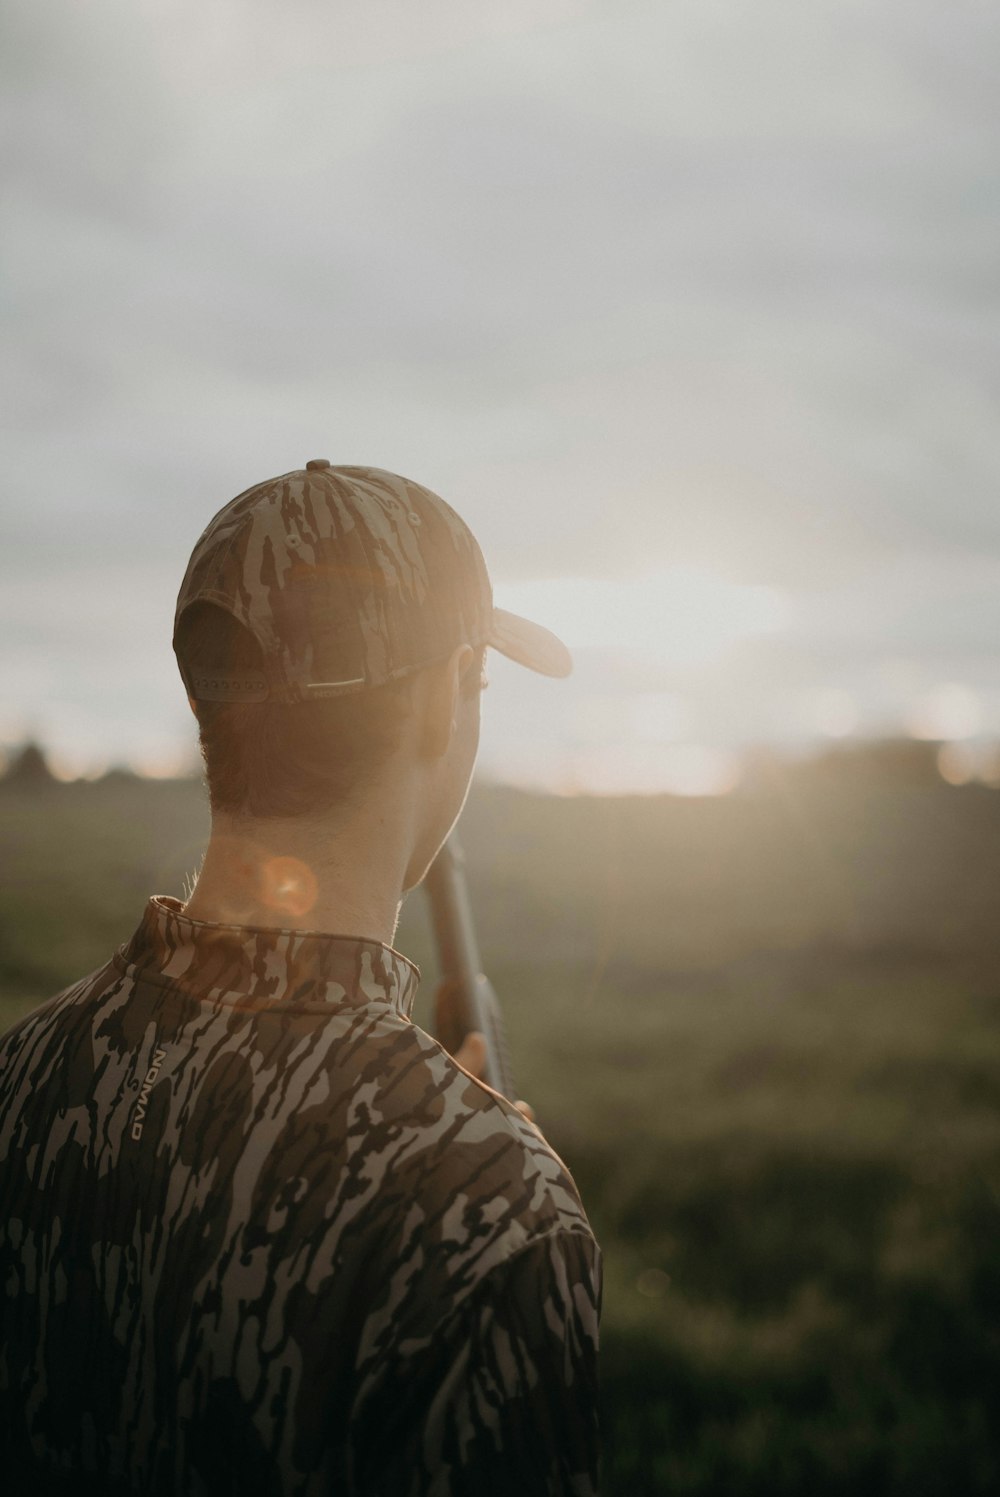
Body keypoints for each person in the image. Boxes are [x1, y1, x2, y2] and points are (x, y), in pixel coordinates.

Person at [0, 461, 601, 1496]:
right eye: (480, 685)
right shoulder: (500, 1220)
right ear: (432, 702)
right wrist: (473, 1160)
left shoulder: (20, 1072)